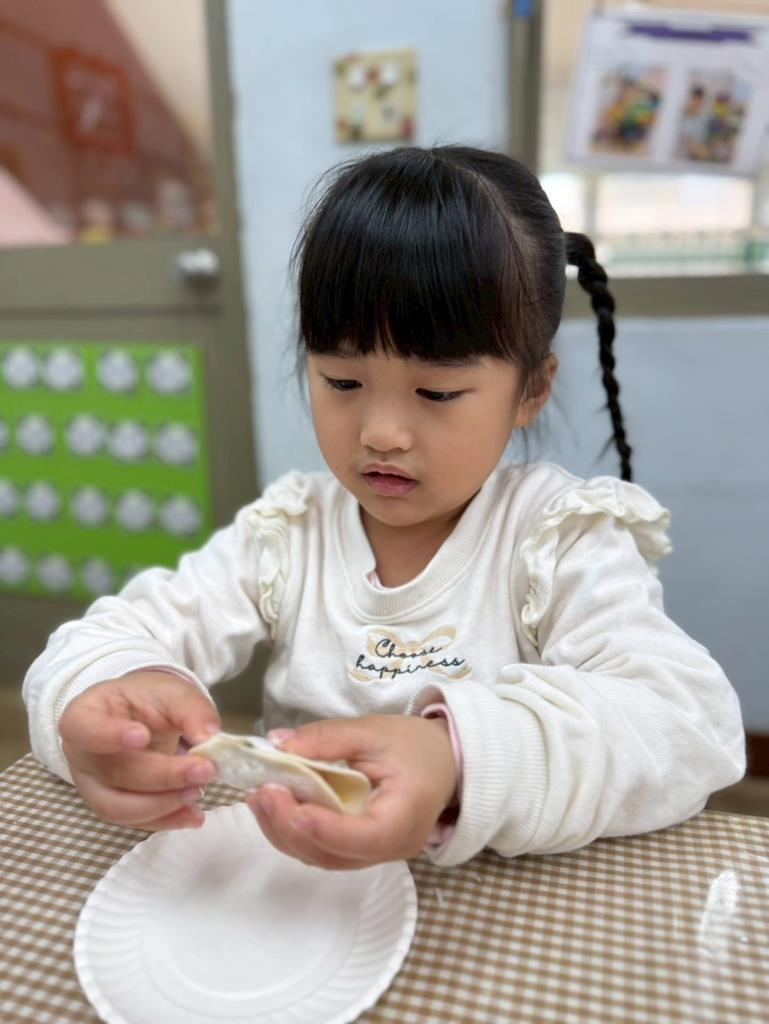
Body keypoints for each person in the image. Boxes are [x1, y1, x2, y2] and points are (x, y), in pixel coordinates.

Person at [23, 145, 744, 869]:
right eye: (342, 382)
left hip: (479, 908)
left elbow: (689, 726)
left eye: (436, 392)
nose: (381, 434)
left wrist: (455, 757)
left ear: (530, 390)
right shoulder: (289, 535)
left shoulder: (557, 539)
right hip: (303, 895)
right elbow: (105, 640)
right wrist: (115, 696)